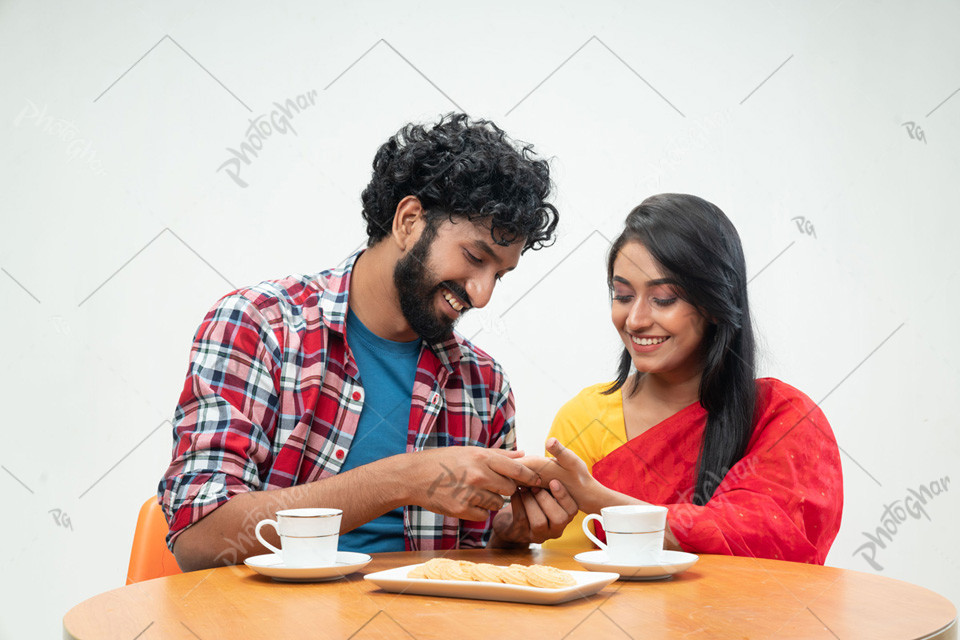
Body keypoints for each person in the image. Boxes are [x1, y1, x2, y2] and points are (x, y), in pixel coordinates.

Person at [159, 113, 577, 571]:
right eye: (475, 257)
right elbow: (198, 538)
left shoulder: (483, 384)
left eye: (499, 275)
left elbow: (473, 567)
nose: (482, 294)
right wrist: (403, 479)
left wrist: (510, 534)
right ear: (409, 221)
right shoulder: (260, 326)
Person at [515, 193, 843, 564]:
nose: (635, 319)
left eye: (664, 299)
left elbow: (771, 542)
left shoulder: (781, 418)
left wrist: (598, 498)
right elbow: (568, 570)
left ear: (715, 305)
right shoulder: (583, 418)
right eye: (623, 295)